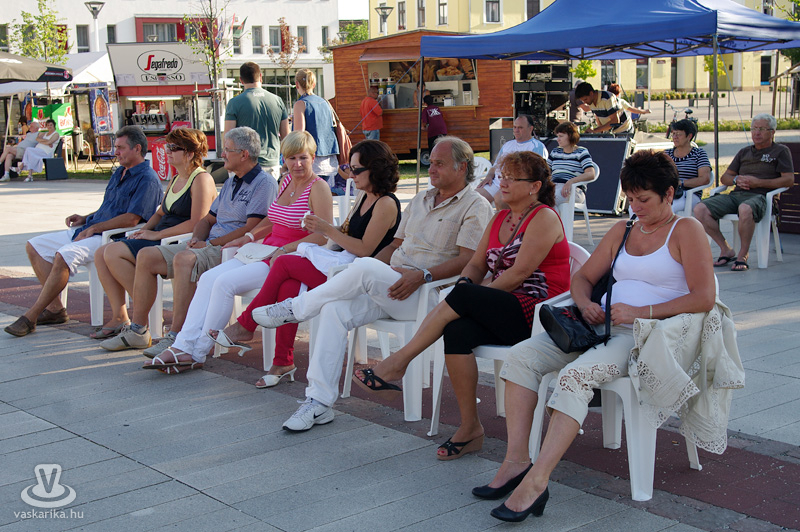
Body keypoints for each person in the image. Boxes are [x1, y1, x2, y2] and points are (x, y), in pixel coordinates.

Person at [477, 149, 716, 523]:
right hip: (595, 327)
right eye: (631, 199)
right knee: (521, 357)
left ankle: (537, 482)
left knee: (574, 377)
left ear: (669, 194)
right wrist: (586, 302)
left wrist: (641, 312)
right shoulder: (624, 229)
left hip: (644, 335)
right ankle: (516, 462)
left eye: (644, 199)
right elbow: (583, 278)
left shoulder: (685, 230)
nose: (635, 207)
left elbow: (704, 297)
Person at [252, 136, 494, 432]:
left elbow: (469, 260)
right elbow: (395, 245)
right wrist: (375, 272)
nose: (431, 169)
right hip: (392, 287)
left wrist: (423, 275)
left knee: (364, 266)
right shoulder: (421, 199)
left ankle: (296, 309)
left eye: (439, 163)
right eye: (431, 162)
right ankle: (318, 402)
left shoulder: (475, 206)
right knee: (333, 310)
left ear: (462, 167)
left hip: (429, 296)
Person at [354, 151, 571, 460]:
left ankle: (398, 363)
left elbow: (519, 274)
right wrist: (466, 286)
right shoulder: (499, 217)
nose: (503, 183)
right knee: (457, 331)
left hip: (538, 313)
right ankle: (470, 428)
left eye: (512, 178)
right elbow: (476, 264)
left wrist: (472, 297)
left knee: (465, 297)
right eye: (502, 176)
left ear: (535, 186)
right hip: (505, 307)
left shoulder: (544, 217)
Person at [209, 139, 402, 387]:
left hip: (359, 279)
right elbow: (347, 235)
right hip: (343, 268)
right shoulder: (365, 196)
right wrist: (325, 229)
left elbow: (365, 250)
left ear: (374, 169)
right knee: (288, 287)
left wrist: (326, 230)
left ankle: (246, 324)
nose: (350, 175)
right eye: (350, 168)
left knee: (284, 263)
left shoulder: (385, 203)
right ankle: (282, 361)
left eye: (355, 170)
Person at [141, 130, 333, 372]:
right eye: (291, 158)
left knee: (224, 284)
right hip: (264, 249)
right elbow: (273, 219)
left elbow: (324, 234)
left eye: (303, 158)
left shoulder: (318, 188)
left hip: (286, 258)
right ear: (284, 159)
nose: (297, 164)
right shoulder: (286, 181)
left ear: (313, 157)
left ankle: (197, 352)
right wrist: (248, 237)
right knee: (208, 278)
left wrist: (285, 248)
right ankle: (182, 345)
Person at [98, 127, 278, 353]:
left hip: (230, 249)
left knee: (183, 260)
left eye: (227, 150)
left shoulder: (263, 183)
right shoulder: (231, 182)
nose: (222, 155)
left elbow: (251, 228)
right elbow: (207, 219)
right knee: (146, 256)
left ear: (244, 154)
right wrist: (197, 238)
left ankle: (177, 336)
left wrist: (210, 244)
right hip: (207, 244)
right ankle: (138, 330)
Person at [4, 126, 163, 337]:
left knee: (64, 255)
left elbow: (132, 218)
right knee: (35, 245)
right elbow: (109, 208)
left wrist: (95, 227)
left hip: (112, 237)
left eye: (120, 148)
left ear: (137, 148)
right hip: (92, 229)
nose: (116, 152)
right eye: (116, 147)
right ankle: (55, 309)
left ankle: (30, 316)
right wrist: (86, 218)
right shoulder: (119, 172)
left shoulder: (147, 178)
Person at [91, 128, 217, 340]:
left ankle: (145, 315)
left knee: (112, 253)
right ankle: (123, 315)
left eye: (173, 148)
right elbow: (160, 213)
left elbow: (196, 223)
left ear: (189, 153)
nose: (168, 152)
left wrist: (156, 236)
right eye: (167, 147)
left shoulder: (201, 179)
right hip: (160, 235)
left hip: (175, 240)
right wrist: (145, 230)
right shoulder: (176, 178)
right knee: (100, 254)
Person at [694, 113, 794, 272]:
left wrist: (758, 183)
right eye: (754, 128)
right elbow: (725, 178)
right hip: (736, 195)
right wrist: (736, 180)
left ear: (772, 132)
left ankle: (743, 254)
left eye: (762, 129)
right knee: (700, 209)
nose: (756, 133)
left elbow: (788, 180)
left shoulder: (780, 151)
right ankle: (725, 248)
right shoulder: (744, 152)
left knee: (745, 209)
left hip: (761, 197)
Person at [224, 62, 290, 179]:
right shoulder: (277, 101)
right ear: (260, 76)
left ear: (241, 80)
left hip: (244, 165)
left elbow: (228, 136)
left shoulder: (234, 103)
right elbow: (286, 136)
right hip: (271, 163)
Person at [476, 115, 548, 203]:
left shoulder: (537, 147)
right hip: (497, 183)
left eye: (520, 127)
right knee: (474, 198)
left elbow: (537, 173)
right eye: (514, 127)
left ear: (530, 129)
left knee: (500, 200)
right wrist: (489, 176)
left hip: (516, 186)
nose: (516, 130)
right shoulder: (508, 145)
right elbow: (496, 166)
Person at [293, 69, 339, 185]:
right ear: (314, 84)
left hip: (310, 156)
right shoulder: (325, 102)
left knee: (309, 192)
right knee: (325, 191)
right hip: (329, 154)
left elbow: (299, 134)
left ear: (297, 84)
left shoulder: (300, 104)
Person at [665, 119, 711, 215]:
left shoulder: (699, 154)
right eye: (673, 134)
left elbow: (705, 179)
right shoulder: (667, 153)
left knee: (668, 209)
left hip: (689, 194)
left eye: (679, 134)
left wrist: (681, 183)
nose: (675, 137)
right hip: (667, 192)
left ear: (689, 136)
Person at [548, 122, 596, 206]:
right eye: (557, 136)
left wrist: (571, 182)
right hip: (554, 188)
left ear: (570, 136)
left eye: (561, 136)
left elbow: (591, 174)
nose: (558, 139)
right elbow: (545, 171)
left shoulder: (581, 152)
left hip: (574, 189)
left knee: (550, 200)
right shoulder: (555, 152)